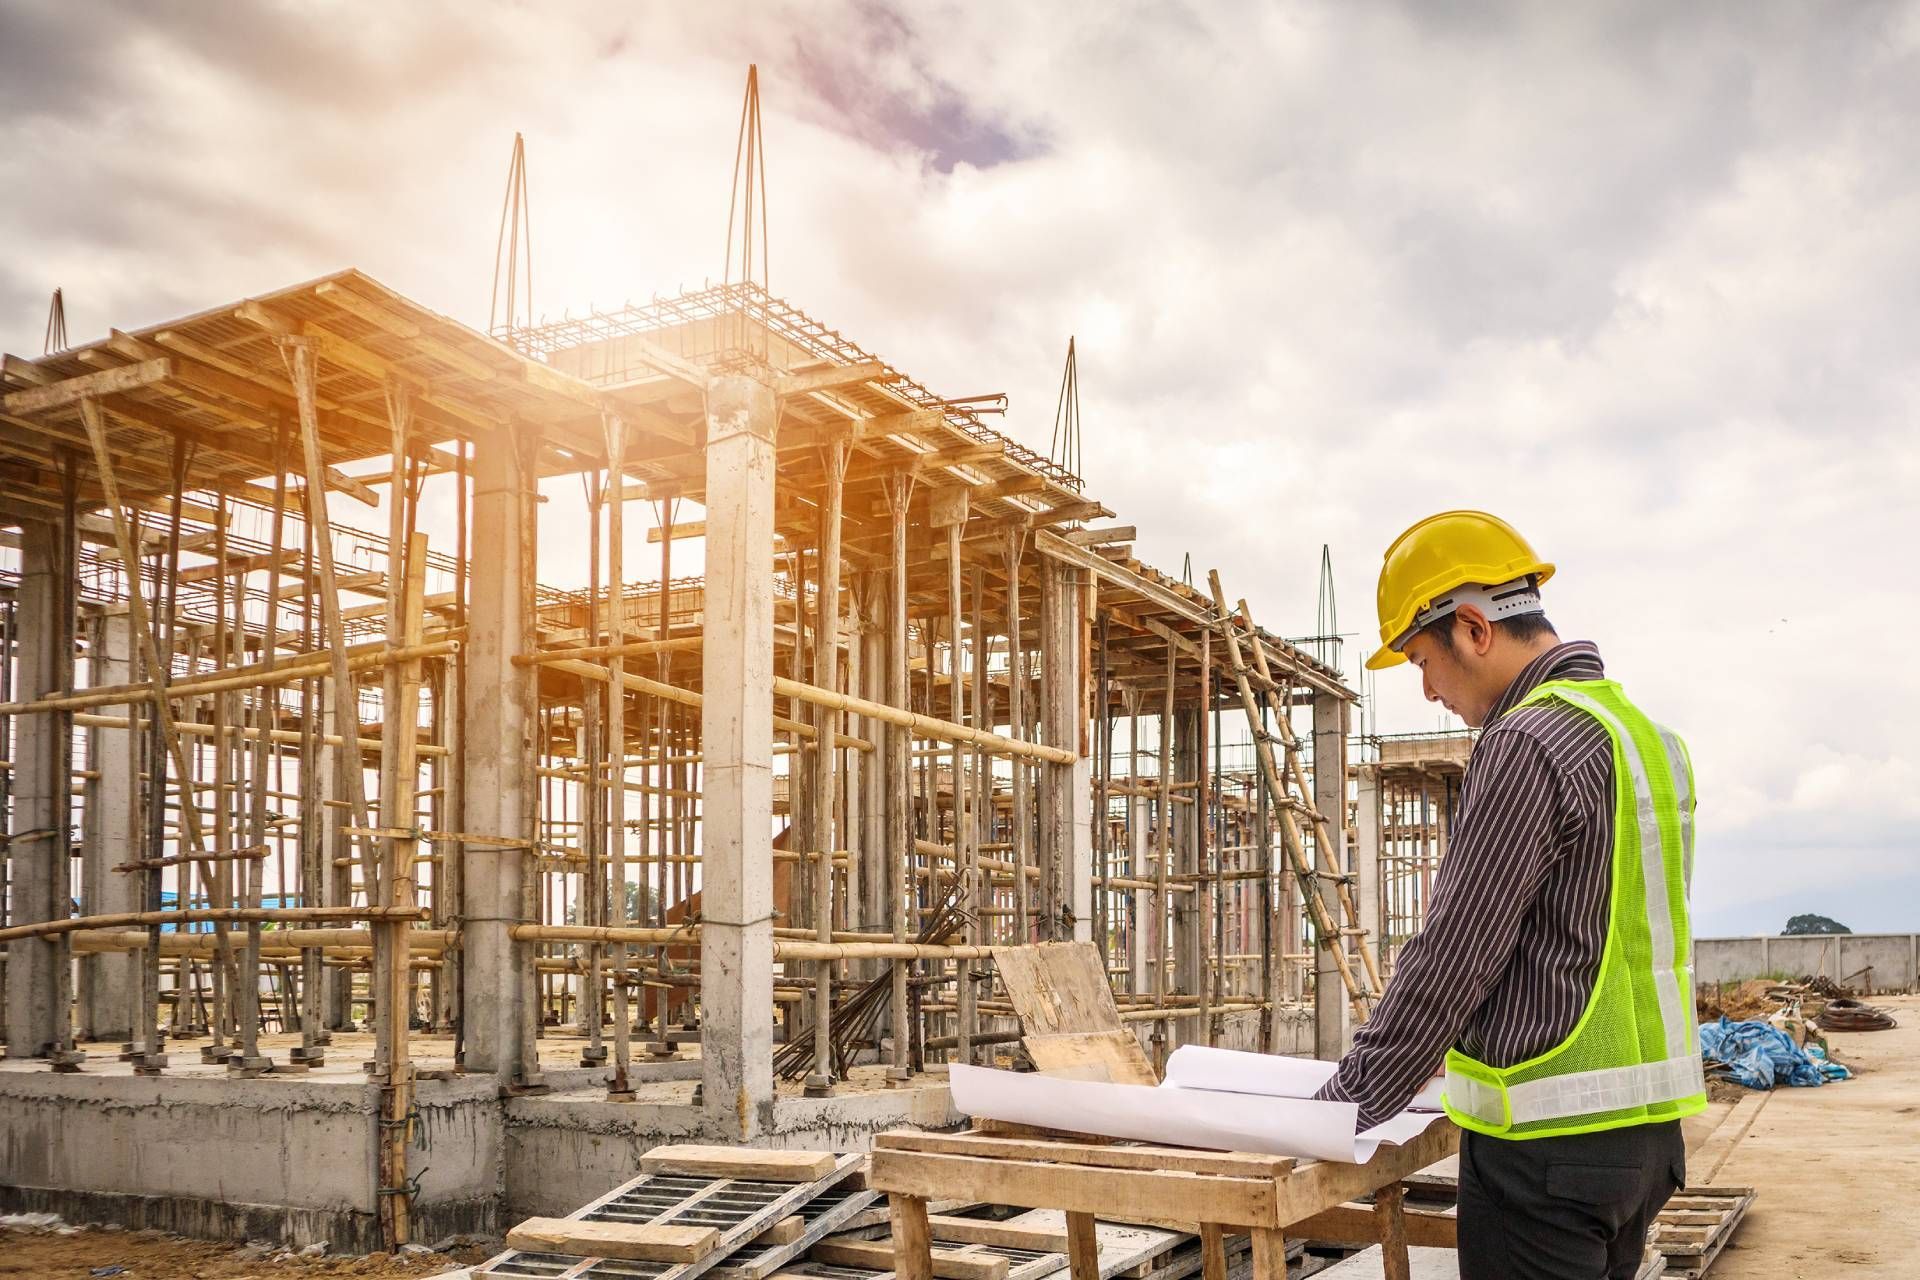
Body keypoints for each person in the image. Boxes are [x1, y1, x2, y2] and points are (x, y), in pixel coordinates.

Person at [1314, 510, 1703, 1280]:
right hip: (1646, 1145)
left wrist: (1342, 1107)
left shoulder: (1527, 742)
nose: (1428, 691)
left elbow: (1455, 956)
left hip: (1545, 1159)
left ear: (1474, 628)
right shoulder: (1649, 740)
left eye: (1424, 660)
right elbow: (1591, 939)